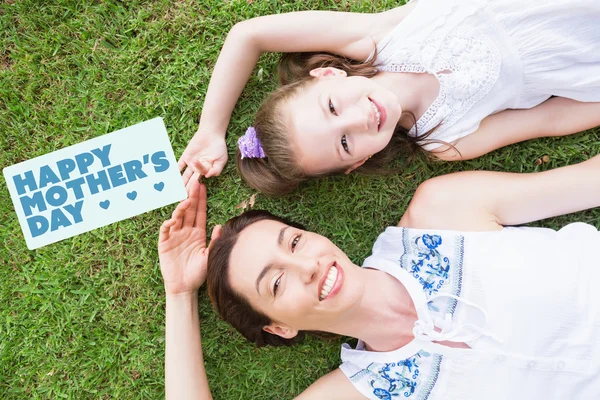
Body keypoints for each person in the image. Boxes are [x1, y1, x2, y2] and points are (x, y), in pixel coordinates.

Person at [159, 156, 600, 399]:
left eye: (293, 242)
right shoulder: (363, 393)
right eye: (276, 283)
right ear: (279, 326)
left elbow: (588, 181)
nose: (308, 265)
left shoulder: (441, 212)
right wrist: (179, 295)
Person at [178, 0, 600, 195]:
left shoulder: (379, 37)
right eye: (344, 143)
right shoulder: (445, 140)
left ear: (328, 73)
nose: (358, 119)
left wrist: (211, 128)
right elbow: (548, 119)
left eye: (332, 106)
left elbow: (249, 35)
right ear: (358, 162)